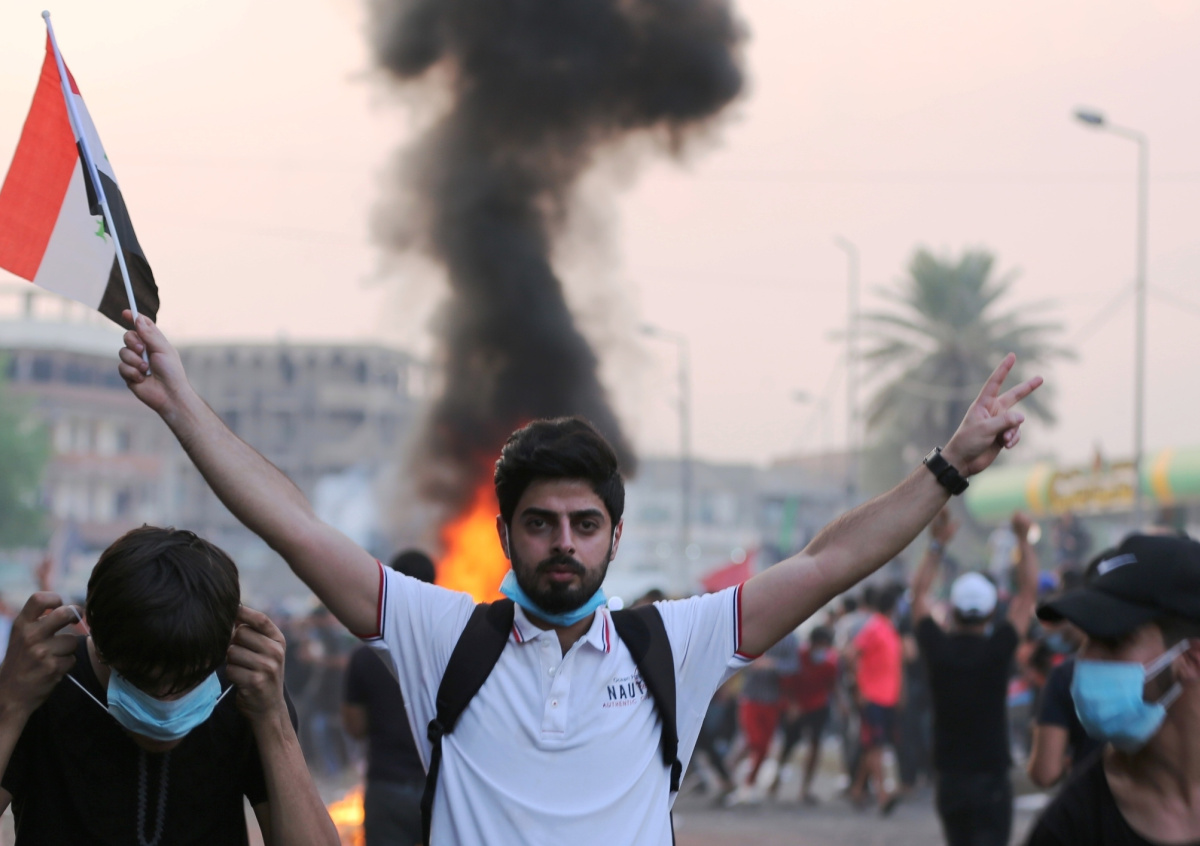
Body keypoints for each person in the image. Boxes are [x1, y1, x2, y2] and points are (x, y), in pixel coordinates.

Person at [116, 314, 1039, 844]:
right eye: (541, 523)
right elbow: (294, 525)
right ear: (504, 535)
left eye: (584, 525)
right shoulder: (446, 636)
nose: (564, 544)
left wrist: (947, 468)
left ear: (614, 536)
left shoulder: (674, 643)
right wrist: (180, 404)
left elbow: (828, 562)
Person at [0, 525, 337, 845]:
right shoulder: (42, 680)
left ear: (222, 646)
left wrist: (274, 719)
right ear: (99, 642)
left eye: (189, 681)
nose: (166, 702)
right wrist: (10, 705)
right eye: (141, 680)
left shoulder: (246, 690)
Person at [1026, 534, 1200, 845]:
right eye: (1087, 640)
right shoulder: (1069, 828)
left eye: (1114, 641)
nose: (1085, 661)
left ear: (1191, 659)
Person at [909, 508, 1038, 846]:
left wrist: (937, 544)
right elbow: (1028, 594)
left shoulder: (938, 649)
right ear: (992, 611)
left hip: (949, 778)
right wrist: (1023, 540)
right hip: (991, 777)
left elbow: (918, 596)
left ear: (951, 610)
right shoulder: (998, 650)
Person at [343, 550, 436, 846]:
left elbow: (355, 727)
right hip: (441, 789)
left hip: (387, 788)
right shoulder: (454, 650)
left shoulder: (366, 656)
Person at [846, 583, 903, 813]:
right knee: (875, 747)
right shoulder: (874, 627)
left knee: (872, 746)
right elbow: (851, 654)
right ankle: (882, 795)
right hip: (872, 697)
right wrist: (858, 688)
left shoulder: (888, 628)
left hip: (886, 698)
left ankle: (858, 789)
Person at [772, 625, 838, 804]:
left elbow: (832, 686)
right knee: (788, 746)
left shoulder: (830, 663)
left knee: (815, 745)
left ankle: (805, 788)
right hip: (798, 706)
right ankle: (775, 781)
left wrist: (840, 704)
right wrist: (792, 705)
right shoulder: (797, 657)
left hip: (818, 706)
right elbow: (786, 683)